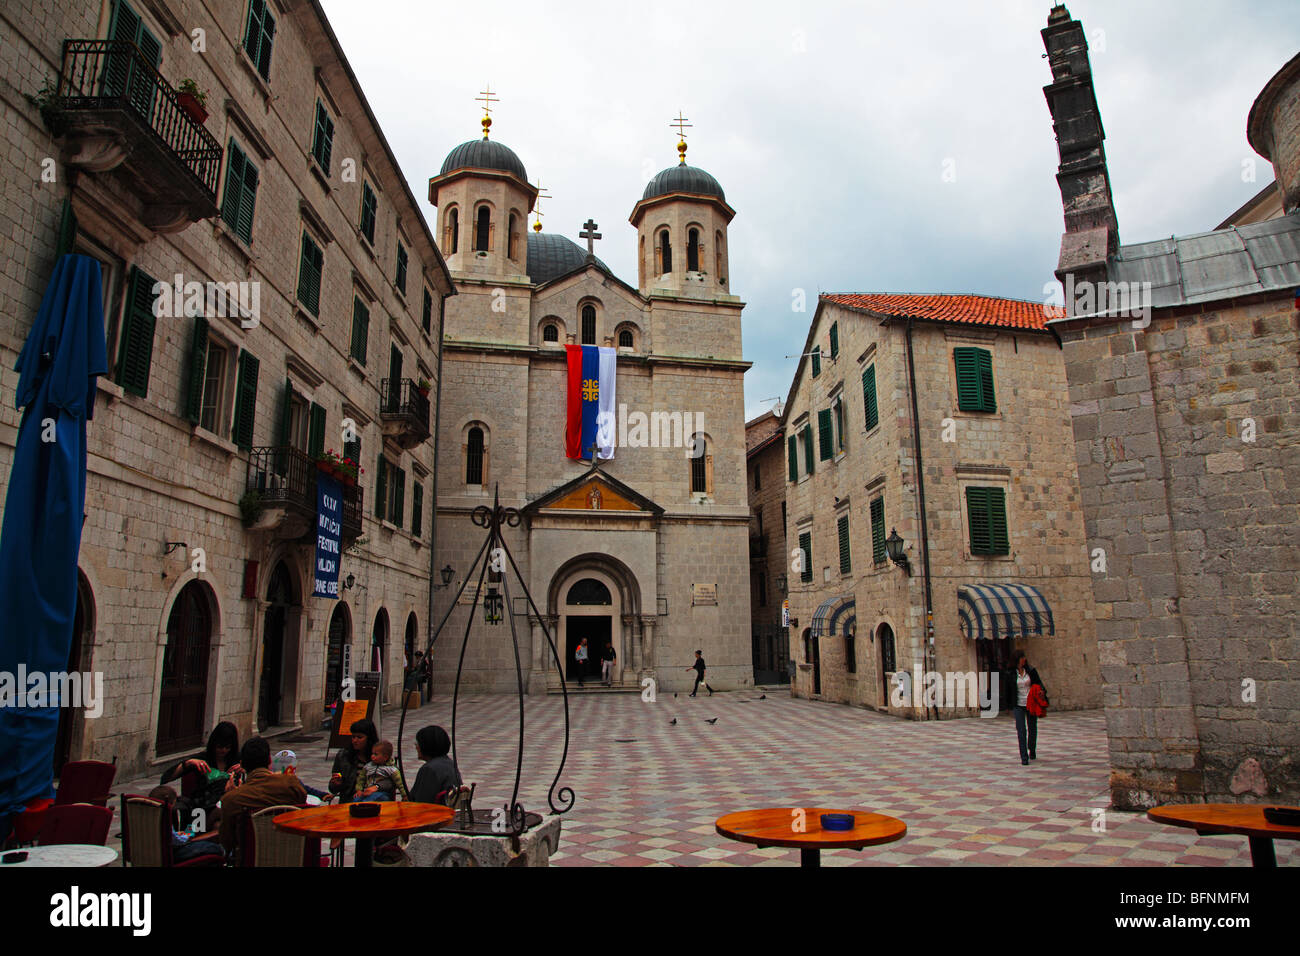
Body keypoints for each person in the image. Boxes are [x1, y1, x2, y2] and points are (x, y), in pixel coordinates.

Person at [217, 737, 307, 855]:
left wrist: (232, 795)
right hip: (291, 855)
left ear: (242, 764)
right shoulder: (292, 785)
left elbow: (227, 842)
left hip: (251, 858)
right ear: (270, 760)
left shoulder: (232, 799)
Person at [158, 721, 243, 829]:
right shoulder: (203, 759)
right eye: (220, 747)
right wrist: (188, 763)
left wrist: (244, 768)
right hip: (204, 806)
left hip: (229, 803)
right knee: (219, 818)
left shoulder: (237, 760)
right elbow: (166, 777)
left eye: (227, 747)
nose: (224, 751)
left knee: (222, 822)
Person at [147, 786, 224, 863]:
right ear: (171, 803)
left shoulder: (147, 815)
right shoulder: (164, 817)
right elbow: (179, 841)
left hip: (152, 852)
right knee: (214, 847)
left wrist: (177, 834)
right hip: (172, 854)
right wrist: (188, 833)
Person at [1007, 651, 1046, 766]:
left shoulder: (1031, 671)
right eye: (1022, 657)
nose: (1024, 659)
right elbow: (1008, 691)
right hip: (1018, 704)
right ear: (1017, 659)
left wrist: (1041, 691)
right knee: (1021, 730)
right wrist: (1009, 706)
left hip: (1031, 703)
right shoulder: (1010, 673)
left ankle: (1032, 749)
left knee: (1032, 728)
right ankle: (1024, 757)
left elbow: (1039, 683)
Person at [407, 726, 462, 805]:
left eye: (418, 743)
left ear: (425, 745)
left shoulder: (429, 770)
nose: (416, 746)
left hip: (435, 814)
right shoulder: (450, 763)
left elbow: (421, 802)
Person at [328, 718, 378, 804]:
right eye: (353, 737)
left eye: (359, 737)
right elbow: (333, 787)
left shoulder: (379, 756)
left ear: (369, 738)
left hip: (372, 799)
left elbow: (389, 782)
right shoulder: (343, 756)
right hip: (348, 800)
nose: (355, 740)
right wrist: (336, 783)